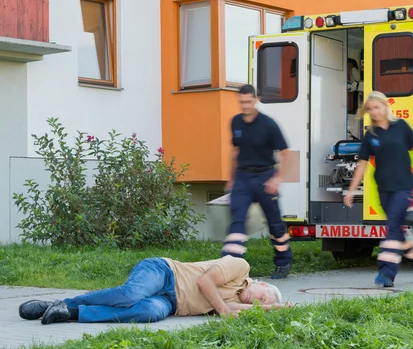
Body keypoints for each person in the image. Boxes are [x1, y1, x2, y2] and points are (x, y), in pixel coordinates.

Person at [344, 91, 413, 287]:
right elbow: (362, 164)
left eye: (377, 108)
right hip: (384, 188)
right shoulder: (370, 135)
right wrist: (352, 190)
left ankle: (386, 272)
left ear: (385, 106)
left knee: (392, 227)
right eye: (370, 109)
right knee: (396, 228)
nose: (374, 112)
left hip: (403, 186)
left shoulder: (401, 127)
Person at [18, 255, 288, 325]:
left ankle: (71, 313)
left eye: (258, 303)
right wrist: (223, 310)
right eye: (261, 296)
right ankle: (64, 303)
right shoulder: (240, 267)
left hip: (170, 304)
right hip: (165, 273)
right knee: (131, 294)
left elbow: (231, 310)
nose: (254, 301)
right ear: (261, 284)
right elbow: (205, 282)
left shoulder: (239, 301)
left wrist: (272, 308)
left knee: (150, 311)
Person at [222, 84, 292, 279]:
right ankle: (230, 266)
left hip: (265, 176)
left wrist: (277, 179)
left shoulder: (269, 124)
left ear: (256, 99)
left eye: (248, 102)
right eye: (241, 102)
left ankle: (283, 262)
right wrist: (231, 178)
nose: (244, 106)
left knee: (275, 223)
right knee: (237, 220)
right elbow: (235, 152)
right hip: (243, 178)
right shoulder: (235, 122)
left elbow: (286, 155)